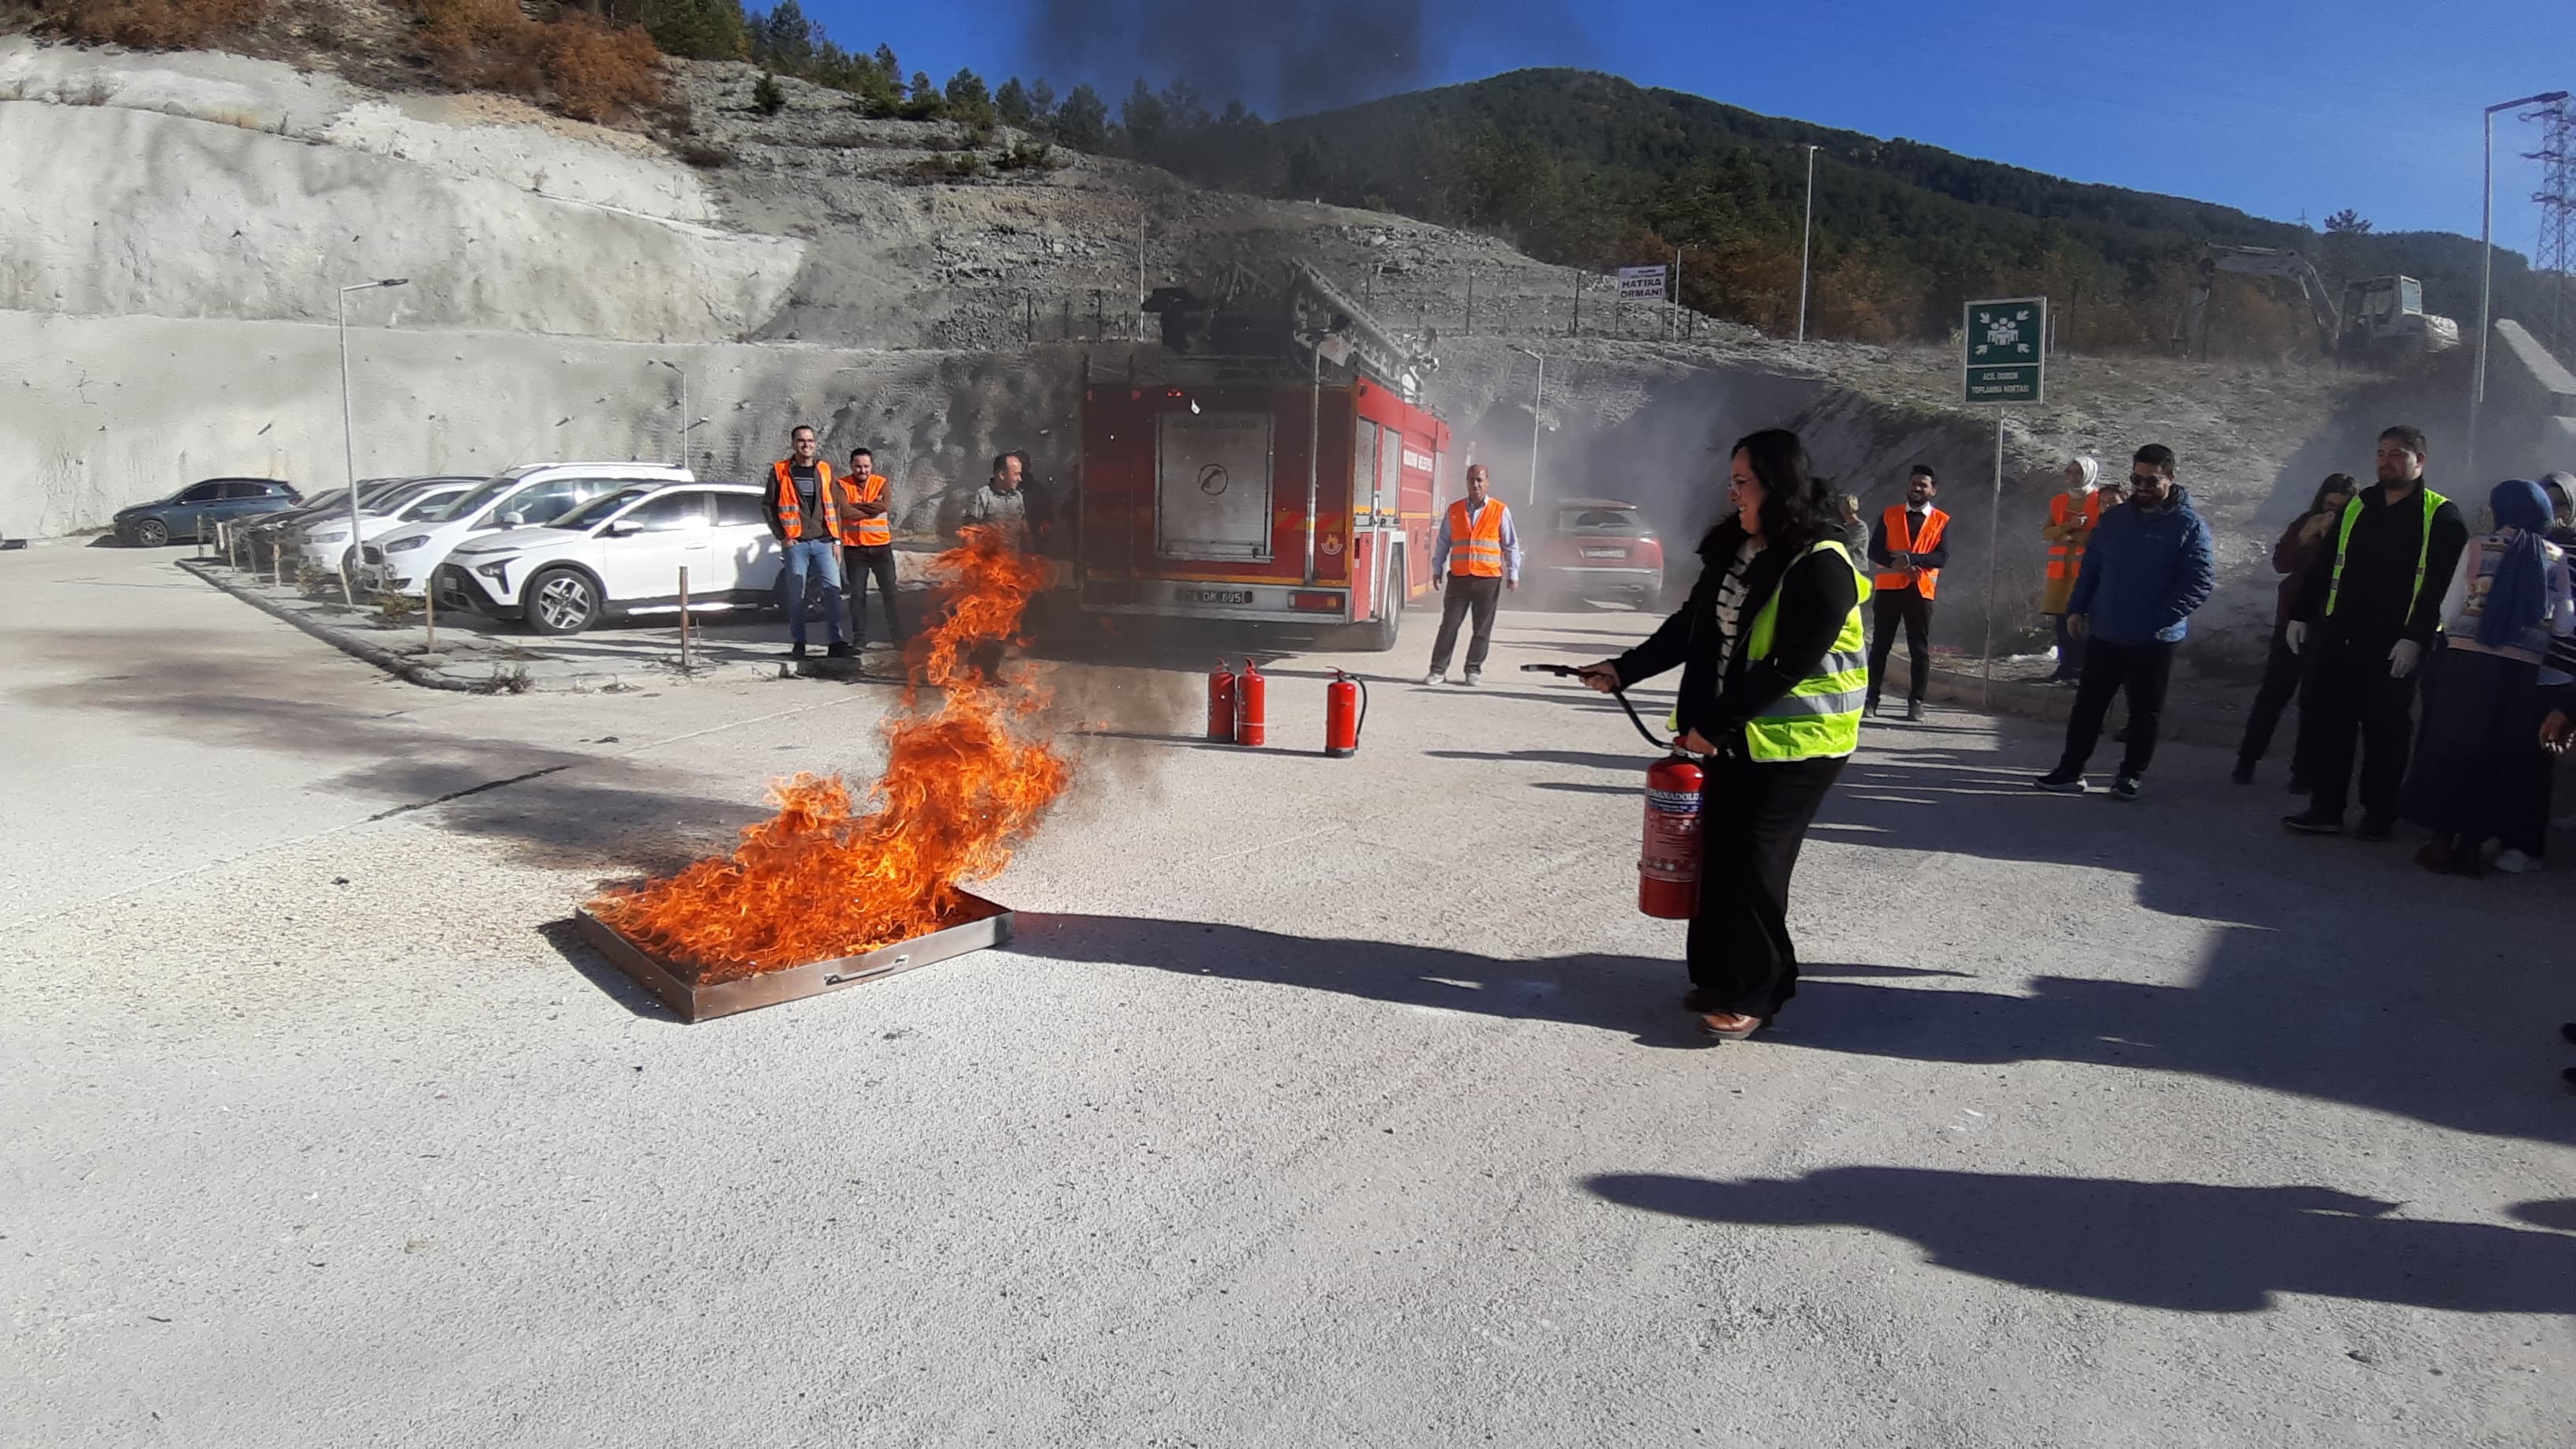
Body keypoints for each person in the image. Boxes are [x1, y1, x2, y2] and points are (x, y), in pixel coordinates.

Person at [1575, 429, 1866, 1043]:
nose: (1732, 494)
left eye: (1743, 482)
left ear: (1778, 484)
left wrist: (1713, 725)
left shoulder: (1822, 563)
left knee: (1755, 863)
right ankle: (1716, 977)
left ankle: (1760, 989)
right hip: (1737, 735)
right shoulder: (1738, 547)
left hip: (1799, 746)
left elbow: (1790, 664)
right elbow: (1692, 627)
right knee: (1715, 855)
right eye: (1730, 481)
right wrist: (1623, 668)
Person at [2282, 425, 2469, 841]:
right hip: (2339, 635)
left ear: (2420, 462)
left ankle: (2379, 813)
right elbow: (2330, 561)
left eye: (2398, 454)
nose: (2386, 461)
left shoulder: (2442, 516)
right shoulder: (2360, 504)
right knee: (2331, 724)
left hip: (2392, 646)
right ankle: (2327, 807)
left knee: (2386, 732)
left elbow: (2440, 585)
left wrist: (2416, 637)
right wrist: (2301, 612)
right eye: (2381, 453)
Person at [2400, 479, 2573, 875]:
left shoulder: (2478, 547)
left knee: (2453, 750)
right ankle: (2473, 848)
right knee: (2497, 758)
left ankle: (2441, 842)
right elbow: (2564, 625)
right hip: (2521, 674)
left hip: (2467, 668)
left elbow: (2449, 611)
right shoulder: (2555, 556)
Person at [2032, 444, 2215, 801]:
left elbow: (2199, 581)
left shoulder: (2188, 525)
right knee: (2088, 704)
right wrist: (2076, 608)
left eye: (2151, 480)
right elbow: (2092, 568)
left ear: (2170, 478)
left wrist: (2160, 619)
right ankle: (2070, 770)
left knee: (2144, 711)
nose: (2142, 487)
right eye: (2136, 479)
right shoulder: (2115, 520)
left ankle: (2130, 776)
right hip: (2106, 630)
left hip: (2155, 639)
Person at [2233, 474, 2357, 788]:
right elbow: (2282, 563)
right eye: (2329, 505)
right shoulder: (2305, 522)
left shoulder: (2357, 530)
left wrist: (2332, 539)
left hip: (2329, 623)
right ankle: (2247, 759)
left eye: (2340, 508)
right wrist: (2306, 537)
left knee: (2314, 699)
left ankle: (2303, 770)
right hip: (2292, 621)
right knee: (2274, 693)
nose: (2332, 513)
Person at [1424, 462, 1521, 686]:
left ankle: (1473, 670)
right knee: (1449, 625)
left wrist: (1513, 573)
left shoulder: (1500, 510)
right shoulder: (1455, 510)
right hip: (1459, 578)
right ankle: (1438, 670)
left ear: (1487, 482)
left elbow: (1510, 544)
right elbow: (1443, 542)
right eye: (1471, 480)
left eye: (1480, 480)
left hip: (1488, 579)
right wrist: (1437, 568)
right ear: (1466, 482)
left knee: (1482, 628)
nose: (1475, 484)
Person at [1866, 464, 1949, 721]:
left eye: (1923, 484)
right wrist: (1895, 564)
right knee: (1880, 646)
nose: (1917, 487)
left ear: (1932, 490)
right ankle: (1871, 700)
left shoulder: (1940, 520)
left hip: (1920, 591)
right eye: (1914, 482)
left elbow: (1942, 557)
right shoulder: (1889, 515)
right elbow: (1874, 550)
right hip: (1890, 590)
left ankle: (1916, 702)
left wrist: (1913, 560)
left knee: (1919, 649)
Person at [762, 425, 848, 660]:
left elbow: (835, 506)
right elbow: (768, 505)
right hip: (796, 543)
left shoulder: (825, 470)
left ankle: (835, 642)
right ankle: (799, 643)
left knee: (833, 591)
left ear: (815, 444)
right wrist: (782, 535)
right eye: (801, 441)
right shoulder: (780, 471)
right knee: (797, 595)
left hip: (824, 542)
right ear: (793, 443)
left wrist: (838, 540)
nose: (806, 445)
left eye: (810, 441)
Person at [2039, 455, 2107, 683]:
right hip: (2060, 573)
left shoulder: (2100, 500)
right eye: (2070, 472)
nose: (2073, 477)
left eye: (2078, 472)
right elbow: (2047, 532)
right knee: (2061, 621)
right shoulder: (2058, 501)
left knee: (2083, 621)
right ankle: (2065, 667)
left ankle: (2084, 670)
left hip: (2085, 572)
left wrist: (2073, 536)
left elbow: (2102, 534)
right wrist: (2068, 527)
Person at [963, 452, 1032, 549]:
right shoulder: (983, 496)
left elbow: (1024, 530)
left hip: (1013, 559)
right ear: (1002, 475)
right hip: (989, 559)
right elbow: (970, 531)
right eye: (1016, 474)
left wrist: (1030, 554)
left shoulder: (1018, 497)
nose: (1019, 479)